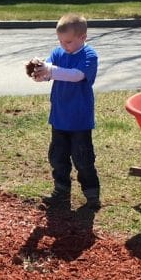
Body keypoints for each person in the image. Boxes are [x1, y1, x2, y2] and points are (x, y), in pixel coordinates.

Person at [28, 13, 101, 210]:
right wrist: (38, 72)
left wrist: (50, 70)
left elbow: (76, 75)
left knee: (83, 159)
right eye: (60, 41)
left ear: (83, 37)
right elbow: (48, 74)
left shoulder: (89, 56)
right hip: (59, 117)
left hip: (79, 120)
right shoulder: (58, 52)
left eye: (68, 42)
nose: (63, 45)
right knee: (57, 157)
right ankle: (61, 190)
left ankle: (92, 194)